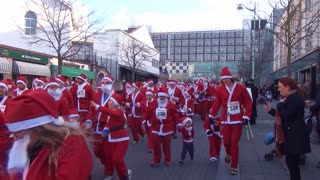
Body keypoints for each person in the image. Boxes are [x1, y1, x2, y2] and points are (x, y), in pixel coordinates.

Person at [4, 90, 92, 180]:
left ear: (37, 129)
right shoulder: (30, 146)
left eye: (17, 132)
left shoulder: (71, 143)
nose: (14, 138)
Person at [263, 77, 311, 180]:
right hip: (292, 137)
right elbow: (284, 115)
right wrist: (271, 110)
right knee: (291, 164)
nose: (278, 89)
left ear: (287, 87)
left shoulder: (295, 98)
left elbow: (288, 115)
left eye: (280, 87)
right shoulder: (291, 98)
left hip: (295, 138)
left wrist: (280, 104)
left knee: (292, 166)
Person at [208, 66, 252, 175]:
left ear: (231, 78)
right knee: (226, 142)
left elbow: (248, 101)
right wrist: (211, 115)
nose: (225, 81)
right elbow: (216, 103)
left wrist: (246, 116)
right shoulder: (220, 89)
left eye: (227, 79)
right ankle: (228, 154)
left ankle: (234, 166)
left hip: (237, 119)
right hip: (225, 119)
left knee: (234, 143)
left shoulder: (240, 87)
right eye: (223, 79)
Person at [90, 93, 132, 180]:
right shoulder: (112, 113)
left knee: (117, 159)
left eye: (110, 101)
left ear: (115, 103)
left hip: (121, 139)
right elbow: (110, 123)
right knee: (113, 159)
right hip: (113, 139)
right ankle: (124, 175)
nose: (108, 103)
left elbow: (112, 113)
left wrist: (98, 106)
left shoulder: (118, 111)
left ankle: (125, 175)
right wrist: (105, 129)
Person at [145, 87, 179, 167]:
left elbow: (175, 115)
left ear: (166, 96)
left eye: (163, 96)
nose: (161, 98)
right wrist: (146, 120)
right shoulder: (153, 103)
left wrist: (178, 123)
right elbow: (148, 112)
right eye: (160, 96)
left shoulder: (170, 104)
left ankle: (167, 159)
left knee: (166, 145)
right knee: (156, 145)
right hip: (155, 127)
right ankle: (156, 159)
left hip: (166, 128)